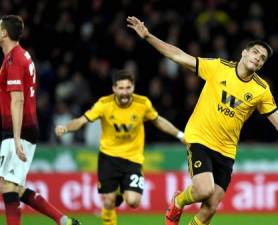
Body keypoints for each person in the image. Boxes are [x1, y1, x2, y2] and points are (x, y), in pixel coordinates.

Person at [126, 16, 278, 225]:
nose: (258, 58)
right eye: (255, 53)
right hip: (200, 138)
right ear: (244, 53)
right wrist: (148, 36)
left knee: (211, 207)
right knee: (204, 189)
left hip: (226, 150)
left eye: (262, 58)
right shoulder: (218, 68)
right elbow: (180, 56)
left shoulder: (261, 90)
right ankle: (179, 200)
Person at [55, 70, 186, 225]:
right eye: (121, 88)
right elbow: (82, 120)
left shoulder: (142, 103)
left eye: (128, 88)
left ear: (133, 87)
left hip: (133, 159)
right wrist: (66, 127)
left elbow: (158, 121)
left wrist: (180, 134)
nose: (125, 92)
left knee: (133, 201)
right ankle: (110, 203)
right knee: (108, 201)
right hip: (108, 158)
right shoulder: (104, 104)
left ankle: (115, 198)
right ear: (114, 89)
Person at [0, 15, 80, 225]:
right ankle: (63, 220)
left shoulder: (14, 58)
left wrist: (16, 138)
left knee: (9, 187)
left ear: (4, 33)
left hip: (19, 129)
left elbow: (18, 99)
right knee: (11, 185)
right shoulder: (18, 56)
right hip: (16, 127)